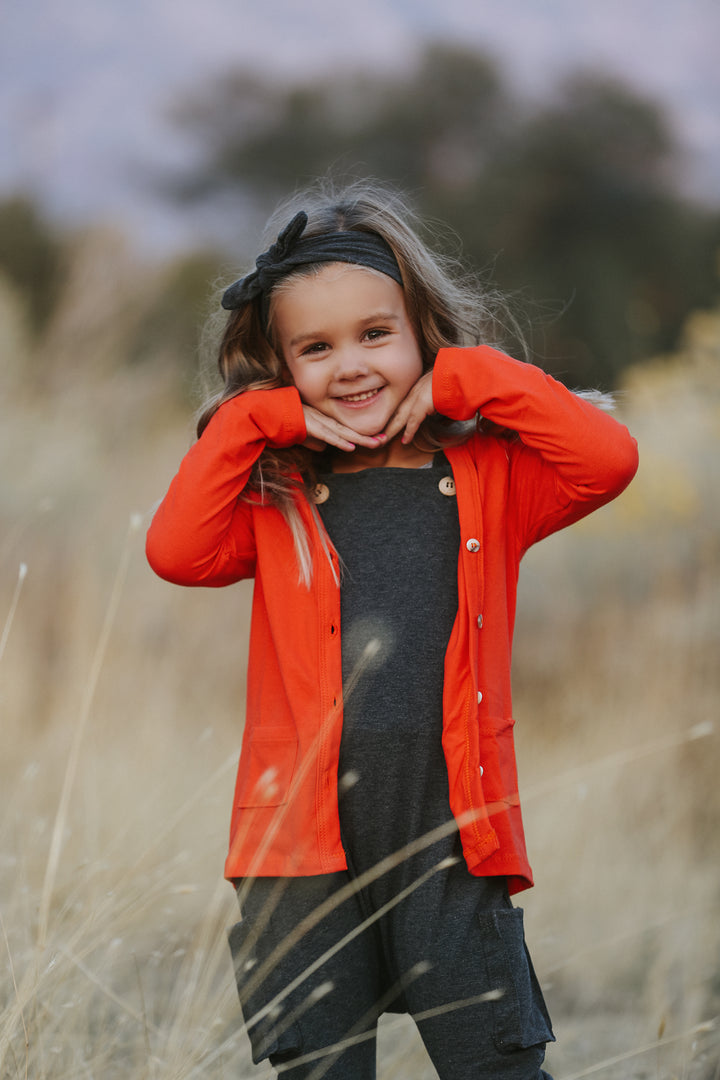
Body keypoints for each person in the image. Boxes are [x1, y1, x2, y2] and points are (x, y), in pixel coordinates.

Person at [146, 182, 638, 1080]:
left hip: (451, 837)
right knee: (321, 1068)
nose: (352, 365)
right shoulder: (277, 492)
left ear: (421, 330)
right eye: (315, 348)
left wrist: (473, 376)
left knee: (496, 1062)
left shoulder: (492, 475)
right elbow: (176, 553)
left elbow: (607, 460)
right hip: (296, 856)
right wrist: (259, 418)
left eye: (377, 334)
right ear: (281, 362)